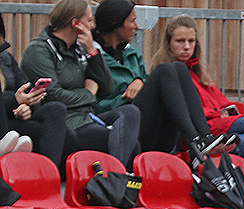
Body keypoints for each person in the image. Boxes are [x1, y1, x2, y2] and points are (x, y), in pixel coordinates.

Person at [91, 0, 237, 161]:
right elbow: (92, 108)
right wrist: (123, 98)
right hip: (123, 129)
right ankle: (195, 140)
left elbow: (149, 89)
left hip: (154, 128)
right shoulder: (92, 58)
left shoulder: (131, 53)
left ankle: (203, 137)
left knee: (179, 68)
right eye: (132, 21)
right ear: (115, 24)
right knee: (164, 69)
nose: (137, 26)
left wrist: (140, 81)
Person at [20, 0, 141, 167]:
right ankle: (116, 177)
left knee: (130, 112)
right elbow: (54, 96)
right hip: (64, 124)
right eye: (89, 20)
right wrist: (89, 93)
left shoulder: (79, 47)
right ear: (76, 24)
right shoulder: (39, 50)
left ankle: (115, 178)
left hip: (87, 118)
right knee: (128, 145)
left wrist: (92, 52)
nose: (93, 26)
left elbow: (106, 88)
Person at [149, 14, 244, 165]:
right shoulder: (165, 75)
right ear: (169, 44)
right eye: (180, 41)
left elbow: (223, 104)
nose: (186, 46)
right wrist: (218, 114)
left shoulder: (200, 74)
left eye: (191, 41)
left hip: (216, 124)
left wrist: (224, 113)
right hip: (194, 133)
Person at [0, 14, 69, 166]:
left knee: (57, 110)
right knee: (64, 135)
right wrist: (15, 100)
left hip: (16, 119)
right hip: (4, 122)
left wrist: (27, 105)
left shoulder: (6, 58)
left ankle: (48, 175)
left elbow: (26, 87)